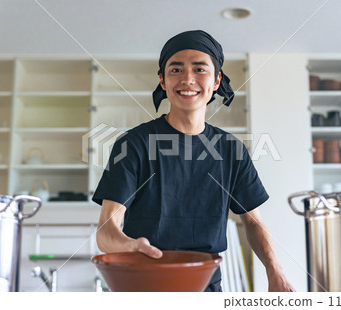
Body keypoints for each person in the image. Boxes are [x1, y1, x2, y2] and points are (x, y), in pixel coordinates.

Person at [93, 30, 294, 292]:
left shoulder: (232, 150)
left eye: (200, 69)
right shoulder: (134, 144)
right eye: (176, 70)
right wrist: (131, 246)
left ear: (216, 80)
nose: (188, 79)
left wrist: (274, 270)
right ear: (163, 81)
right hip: (143, 285)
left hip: (206, 288)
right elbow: (106, 230)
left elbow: (253, 223)